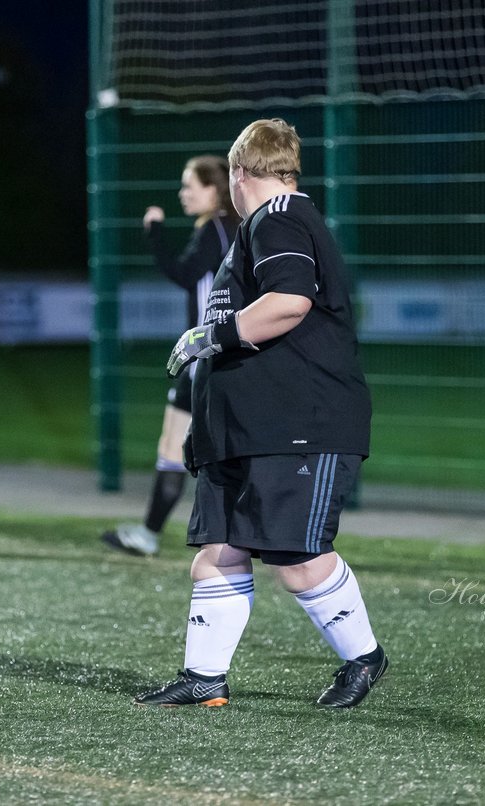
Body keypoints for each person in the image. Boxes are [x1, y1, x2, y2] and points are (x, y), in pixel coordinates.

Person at [133, 119, 386, 709]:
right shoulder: (262, 225)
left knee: (297, 561)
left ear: (240, 174)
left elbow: (290, 301)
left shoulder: (278, 217)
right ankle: (203, 678)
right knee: (218, 552)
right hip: (252, 428)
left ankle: (364, 657)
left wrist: (209, 335)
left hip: (300, 426)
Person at [102, 156, 238, 557]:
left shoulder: (213, 229)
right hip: (230, 354)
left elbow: (181, 273)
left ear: (214, 191)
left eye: (189, 186)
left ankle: (148, 535)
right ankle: (256, 537)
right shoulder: (237, 229)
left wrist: (154, 232)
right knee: (229, 450)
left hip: (203, 357)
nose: (183, 194)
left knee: (173, 445)